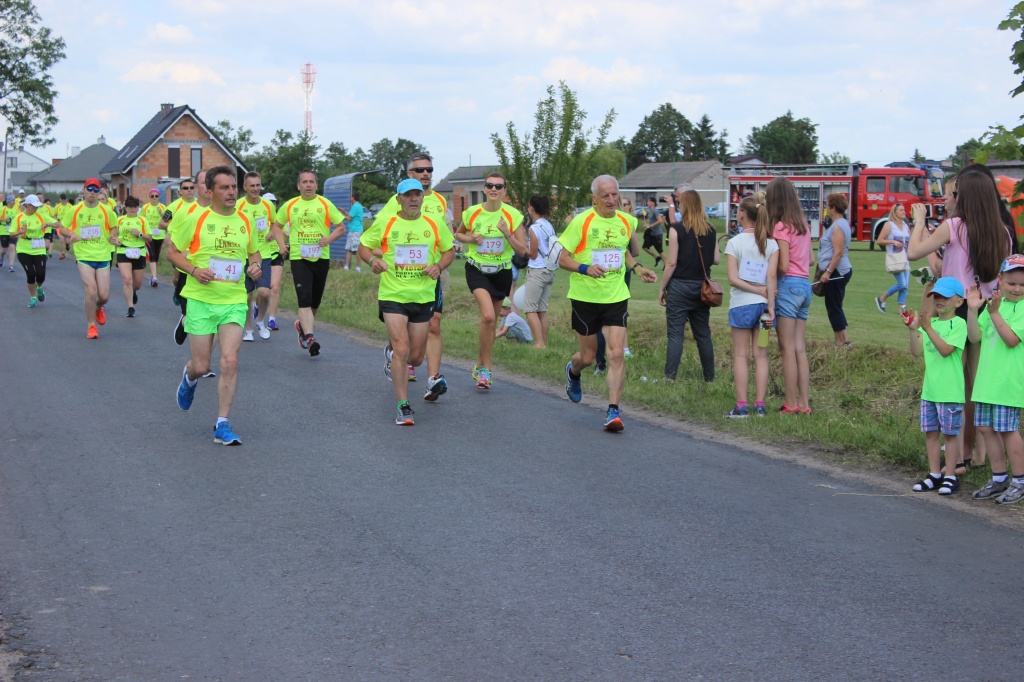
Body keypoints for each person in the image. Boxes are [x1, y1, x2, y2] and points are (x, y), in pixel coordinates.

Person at [908, 169, 1013, 470]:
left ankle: (962, 455)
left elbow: (915, 251)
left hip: (960, 308)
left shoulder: (954, 226)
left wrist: (919, 223)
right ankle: (981, 452)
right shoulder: (1002, 232)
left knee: (958, 384)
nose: (950, 197)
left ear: (964, 197)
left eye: (955, 193)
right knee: (977, 383)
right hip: (988, 310)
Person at [167, 165, 264, 445]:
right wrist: (194, 271)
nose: (231, 192)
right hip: (200, 299)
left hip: (233, 300)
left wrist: (256, 266)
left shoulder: (245, 221)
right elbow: (172, 253)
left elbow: (254, 252)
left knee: (230, 361)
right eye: (224, 187)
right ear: (209, 192)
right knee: (201, 364)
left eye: (233, 187)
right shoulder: (195, 219)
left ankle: (222, 424)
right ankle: (189, 378)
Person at [559, 175, 657, 431]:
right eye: (606, 195)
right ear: (594, 198)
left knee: (615, 353)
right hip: (585, 298)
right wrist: (584, 267)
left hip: (616, 295)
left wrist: (636, 267)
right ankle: (574, 371)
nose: (612, 200)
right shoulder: (582, 222)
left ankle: (613, 410)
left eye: (615, 194)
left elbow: (622, 249)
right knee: (589, 357)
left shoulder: (626, 221)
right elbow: (561, 258)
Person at [358, 178, 455, 424]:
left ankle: (391, 354)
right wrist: (372, 262)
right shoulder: (387, 222)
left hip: (422, 296)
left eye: (417, 195)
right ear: (399, 199)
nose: (413, 199)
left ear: (423, 197)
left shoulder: (433, 224)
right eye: (408, 195)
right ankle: (403, 406)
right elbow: (364, 246)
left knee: (416, 358)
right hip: (393, 295)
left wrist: (438, 266)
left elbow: (449, 250)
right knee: (403, 348)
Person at [377, 153, 452, 393]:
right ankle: (397, 354)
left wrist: (439, 265)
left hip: (431, 273)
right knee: (404, 340)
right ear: (410, 174)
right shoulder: (394, 201)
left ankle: (432, 378)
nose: (426, 174)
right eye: (420, 170)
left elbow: (445, 237)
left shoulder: (440, 200)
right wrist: (381, 259)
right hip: (399, 278)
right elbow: (382, 235)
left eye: (429, 169)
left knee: (435, 323)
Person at [455, 171, 528, 389]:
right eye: (490, 185)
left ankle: (479, 366)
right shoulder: (472, 212)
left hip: (501, 271)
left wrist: (507, 234)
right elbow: (459, 234)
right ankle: (486, 369)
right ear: (485, 189)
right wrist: (470, 239)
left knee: (491, 322)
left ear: (505, 191)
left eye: (499, 186)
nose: (494, 189)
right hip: (477, 269)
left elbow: (522, 251)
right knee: (487, 316)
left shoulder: (513, 215)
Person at [270, 170, 349, 357]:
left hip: (321, 256)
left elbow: (341, 228)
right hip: (299, 257)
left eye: (311, 182)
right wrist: (282, 245)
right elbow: (277, 226)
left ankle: (301, 325)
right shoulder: (290, 205)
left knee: (315, 301)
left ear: (316, 185)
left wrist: (328, 240)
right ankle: (311, 338)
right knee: (304, 298)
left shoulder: (324, 203)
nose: (307, 185)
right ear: (298, 185)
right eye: (304, 182)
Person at [967, 256, 1024, 504]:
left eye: (1023, 285)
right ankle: (999, 478)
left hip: (1007, 383)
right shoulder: (992, 304)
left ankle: (1020, 480)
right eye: (1012, 283)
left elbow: (1011, 340)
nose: (1018, 289)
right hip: (986, 382)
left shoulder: (1020, 308)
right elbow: (974, 337)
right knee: (985, 429)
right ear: (1000, 280)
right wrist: (972, 309)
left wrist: (995, 313)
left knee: (1007, 430)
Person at [908, 277, 967, 495]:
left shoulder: (958, 324)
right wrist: (914, 330)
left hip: (949, 391)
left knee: (950, 435)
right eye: (937, 296)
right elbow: (916, 351)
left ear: (959, 302)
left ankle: (950, 475)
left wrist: (928, 328)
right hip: (930, 391)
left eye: (945, 297)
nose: (940, 300)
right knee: (931, 433)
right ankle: (934, 474)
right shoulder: (929, 325)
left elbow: (945, 350)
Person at [724, 195, 778, 417]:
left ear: (742, 215)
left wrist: (755, 290)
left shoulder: (734, 242)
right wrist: (771, 305)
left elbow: (732, 279)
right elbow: (772, 276)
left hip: (741, 305)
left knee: (740, 355)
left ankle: (742, 405)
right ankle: (760, 404)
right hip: (764, 307)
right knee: (761, 355)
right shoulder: (771, 243)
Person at [660, 187, 719, 383]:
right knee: (703, 334)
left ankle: (670, 377)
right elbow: (716, 259)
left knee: (676, 334)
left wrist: (662, 288)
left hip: (680, 286)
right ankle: (709, 378)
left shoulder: (676, 229)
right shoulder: (710, 229)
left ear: (683, 205)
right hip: (702, 286)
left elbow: (671, 262)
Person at [768, 176, 813, 413]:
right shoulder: (803, 224)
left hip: (788, 286)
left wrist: (768, 268)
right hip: (805, 286)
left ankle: (791, 402)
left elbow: (783, 265)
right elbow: (812, 259)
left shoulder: (780, 226)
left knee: (786, 349)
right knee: (799, 348)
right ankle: (804, 403)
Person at [58, 178, 119, 339]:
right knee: (91, 290)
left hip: (103, 254)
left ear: (99, 192)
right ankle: (91, 326)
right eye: (89, 189)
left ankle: (99, 307)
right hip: (84, 255)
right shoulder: (75, 210)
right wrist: (71, 234)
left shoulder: (106, 211)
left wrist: (113, 237)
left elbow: (114, 227)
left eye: (96, 190)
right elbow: (62, 227)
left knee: (104, 296)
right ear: (84, 190)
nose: (92, 192)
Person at [166, 172, 211, 346]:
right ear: (197, 187)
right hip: (189, 269)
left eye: (210, 182)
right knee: (194, 316)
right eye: (203, 183)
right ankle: (185, 321)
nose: (207, 186)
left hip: (214, 273)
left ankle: (205, 363)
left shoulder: (224, 211)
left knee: (211, 318)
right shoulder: (185, 211)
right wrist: (183, 253)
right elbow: (171, 236)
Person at [236, 171, 279, 342]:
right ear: (245, 187)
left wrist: (271, 232)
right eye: (251, 186)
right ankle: (248, 329)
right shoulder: (238, 205)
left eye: (257, 185)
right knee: (247, 295)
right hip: (245, 255)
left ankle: (260, 320)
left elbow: (275, 222)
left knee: (264, 292)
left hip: (264, 253)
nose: (255, 189)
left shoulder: (267, 205)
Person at [818, 193, 853, 346]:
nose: (826, 209)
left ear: (833, 208)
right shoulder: (843, 223)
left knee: (833, 307)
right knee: (836, 305)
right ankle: (844, 340)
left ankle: (840, 341)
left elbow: (838, 252)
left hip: (837, 271)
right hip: (841, 270)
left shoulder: (838, 226)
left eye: (827, 206)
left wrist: (828, 272)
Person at [523, 194, 556, 348]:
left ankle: (539, 343)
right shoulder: (548, 225)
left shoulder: (534, 228)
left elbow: (533, 254)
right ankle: (544, 342)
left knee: (530, 309)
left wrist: (523, 246)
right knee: (542, 309)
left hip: (537, 270)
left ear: (532, 208)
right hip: (549, 270)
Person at [113, 196, 152, 318]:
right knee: (127, 280)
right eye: (130, 207)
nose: (133, 209)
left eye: (135, 207)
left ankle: (133, 291)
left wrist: (139, 234)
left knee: (137, 284)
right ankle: (130, 307)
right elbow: (113, 236)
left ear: (138, 207)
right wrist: (115, 241)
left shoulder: (142, 220)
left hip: (138, 252)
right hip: (123, 250)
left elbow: (149, 237)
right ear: (126, 207)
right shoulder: (119, 220)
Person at [11, 194, 50, 307]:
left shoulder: (41, 216)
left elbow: (58, 223)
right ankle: (33, 297)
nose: (36, 208)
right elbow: (12, 234)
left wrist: (49, 223)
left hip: (39, 247)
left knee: (41, 274)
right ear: (27, 205)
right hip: (24, 248)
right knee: (31, 274)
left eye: (37, 206)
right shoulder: (19, 218)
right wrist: (19, 232)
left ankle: (39, 287)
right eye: (34, 206)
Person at [874, 203, 911, 315]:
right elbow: (879, 240)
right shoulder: (889, 225)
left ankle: (901, 309)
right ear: (894, 213)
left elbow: (911, 239)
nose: (904, 212)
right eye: (901, 210)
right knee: (902, 284)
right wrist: (893, 242)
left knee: (906, 285)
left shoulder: (905, 225)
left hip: (905, 258)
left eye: (904, 210)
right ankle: (881, 298)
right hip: (895, 258)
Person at [260, 192, 282, 330]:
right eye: (269, 202)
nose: (272, 205)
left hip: (276, 254)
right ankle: (259, 305)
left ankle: (272, 319)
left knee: (274, 287)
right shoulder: (259, 218)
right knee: (263, 291)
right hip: (261, 256)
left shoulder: (279, 219)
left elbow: (286, 231)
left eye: (274, 202)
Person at [141, 188, 167, 287]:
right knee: (152, 255)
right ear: (149, 197)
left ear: (159, 197)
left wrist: (161, 213)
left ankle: (153, 276)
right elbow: (141, 219)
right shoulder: (145, 207)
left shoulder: (163, 207)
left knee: (156, 256)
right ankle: (155, 278)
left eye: (156, 196)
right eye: (152, 196)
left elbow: (167, 220)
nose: (154, 198)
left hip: (159, 234)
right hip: (149, 235)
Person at [343, 191, 364, 271]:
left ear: (353, 197)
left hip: (355, 231)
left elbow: (349, 219)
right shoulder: (358, 206)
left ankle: (358, 268)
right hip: (354, 230)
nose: (349, 198)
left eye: (350, 197)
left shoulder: (355, 207)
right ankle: (346, 267)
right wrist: (344, 212)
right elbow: (352, 215)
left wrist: (340, 216)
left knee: (356, 250)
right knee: (348, 249)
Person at [641, 197, 665, 267]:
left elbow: (660, 220)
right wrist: (647, 225)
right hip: (651, 233)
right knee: (645, 247)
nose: (647, 203)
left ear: (653, 203)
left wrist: (650, 226)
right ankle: (657, 258)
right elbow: (653, 222)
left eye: (648, 202)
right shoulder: (650, 211)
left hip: (657, 234)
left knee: (660, 250)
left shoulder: (655, 211)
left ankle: (666, 265)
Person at [1, 195, 17, 271]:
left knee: (12, 247)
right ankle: (1, 257)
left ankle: (11, 266)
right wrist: (4, 219)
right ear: (7, 202)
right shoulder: (2, 209)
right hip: (4, 231)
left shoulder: (15, 210)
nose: (13, 202)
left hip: (13, 231)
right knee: (4, 250)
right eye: (11, 201)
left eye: (13, 201)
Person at [54, 193, 72, 259]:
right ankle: (62, 253)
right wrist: (56, 221)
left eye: (64, 199)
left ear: (66, 199)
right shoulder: (57, 206)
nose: (63, 200)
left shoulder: (70, 206)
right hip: (60, 225)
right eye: (62, 199)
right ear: (60, 199)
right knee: (61, 239)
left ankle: (67, 245)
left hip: (68, 225)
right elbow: (54, 215)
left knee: (68, 241)